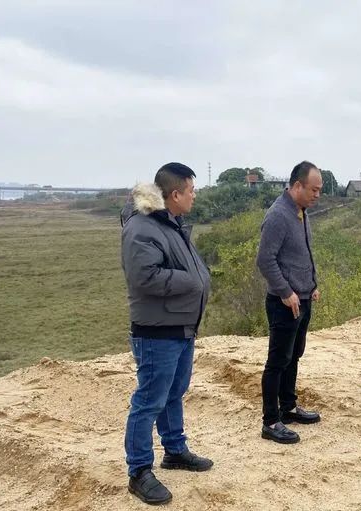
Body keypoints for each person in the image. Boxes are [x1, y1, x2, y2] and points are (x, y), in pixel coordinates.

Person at [120, 162, 213, 505]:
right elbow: (144, 277)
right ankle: (139, 472)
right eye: (191, 191)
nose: (194, 196)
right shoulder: (142, 227)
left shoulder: (168, 223)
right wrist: (192, 280)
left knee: (174, 393)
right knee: (149, 401)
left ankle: (174, 450)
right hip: (157, 331)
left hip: (180, 326)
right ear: (175, 194)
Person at [256, 161, 323, 444]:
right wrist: (285, 291)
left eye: (319, 190)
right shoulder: (278, 215)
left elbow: (301, 254)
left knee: (294, 355)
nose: (317, 195)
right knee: (277, 361)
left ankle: (289, 407)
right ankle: (271, 421)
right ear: (297, 186)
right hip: (284, 303)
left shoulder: (300, 211)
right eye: (313, 189)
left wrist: (312, 284)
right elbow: (265, 259)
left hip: (303, 298)